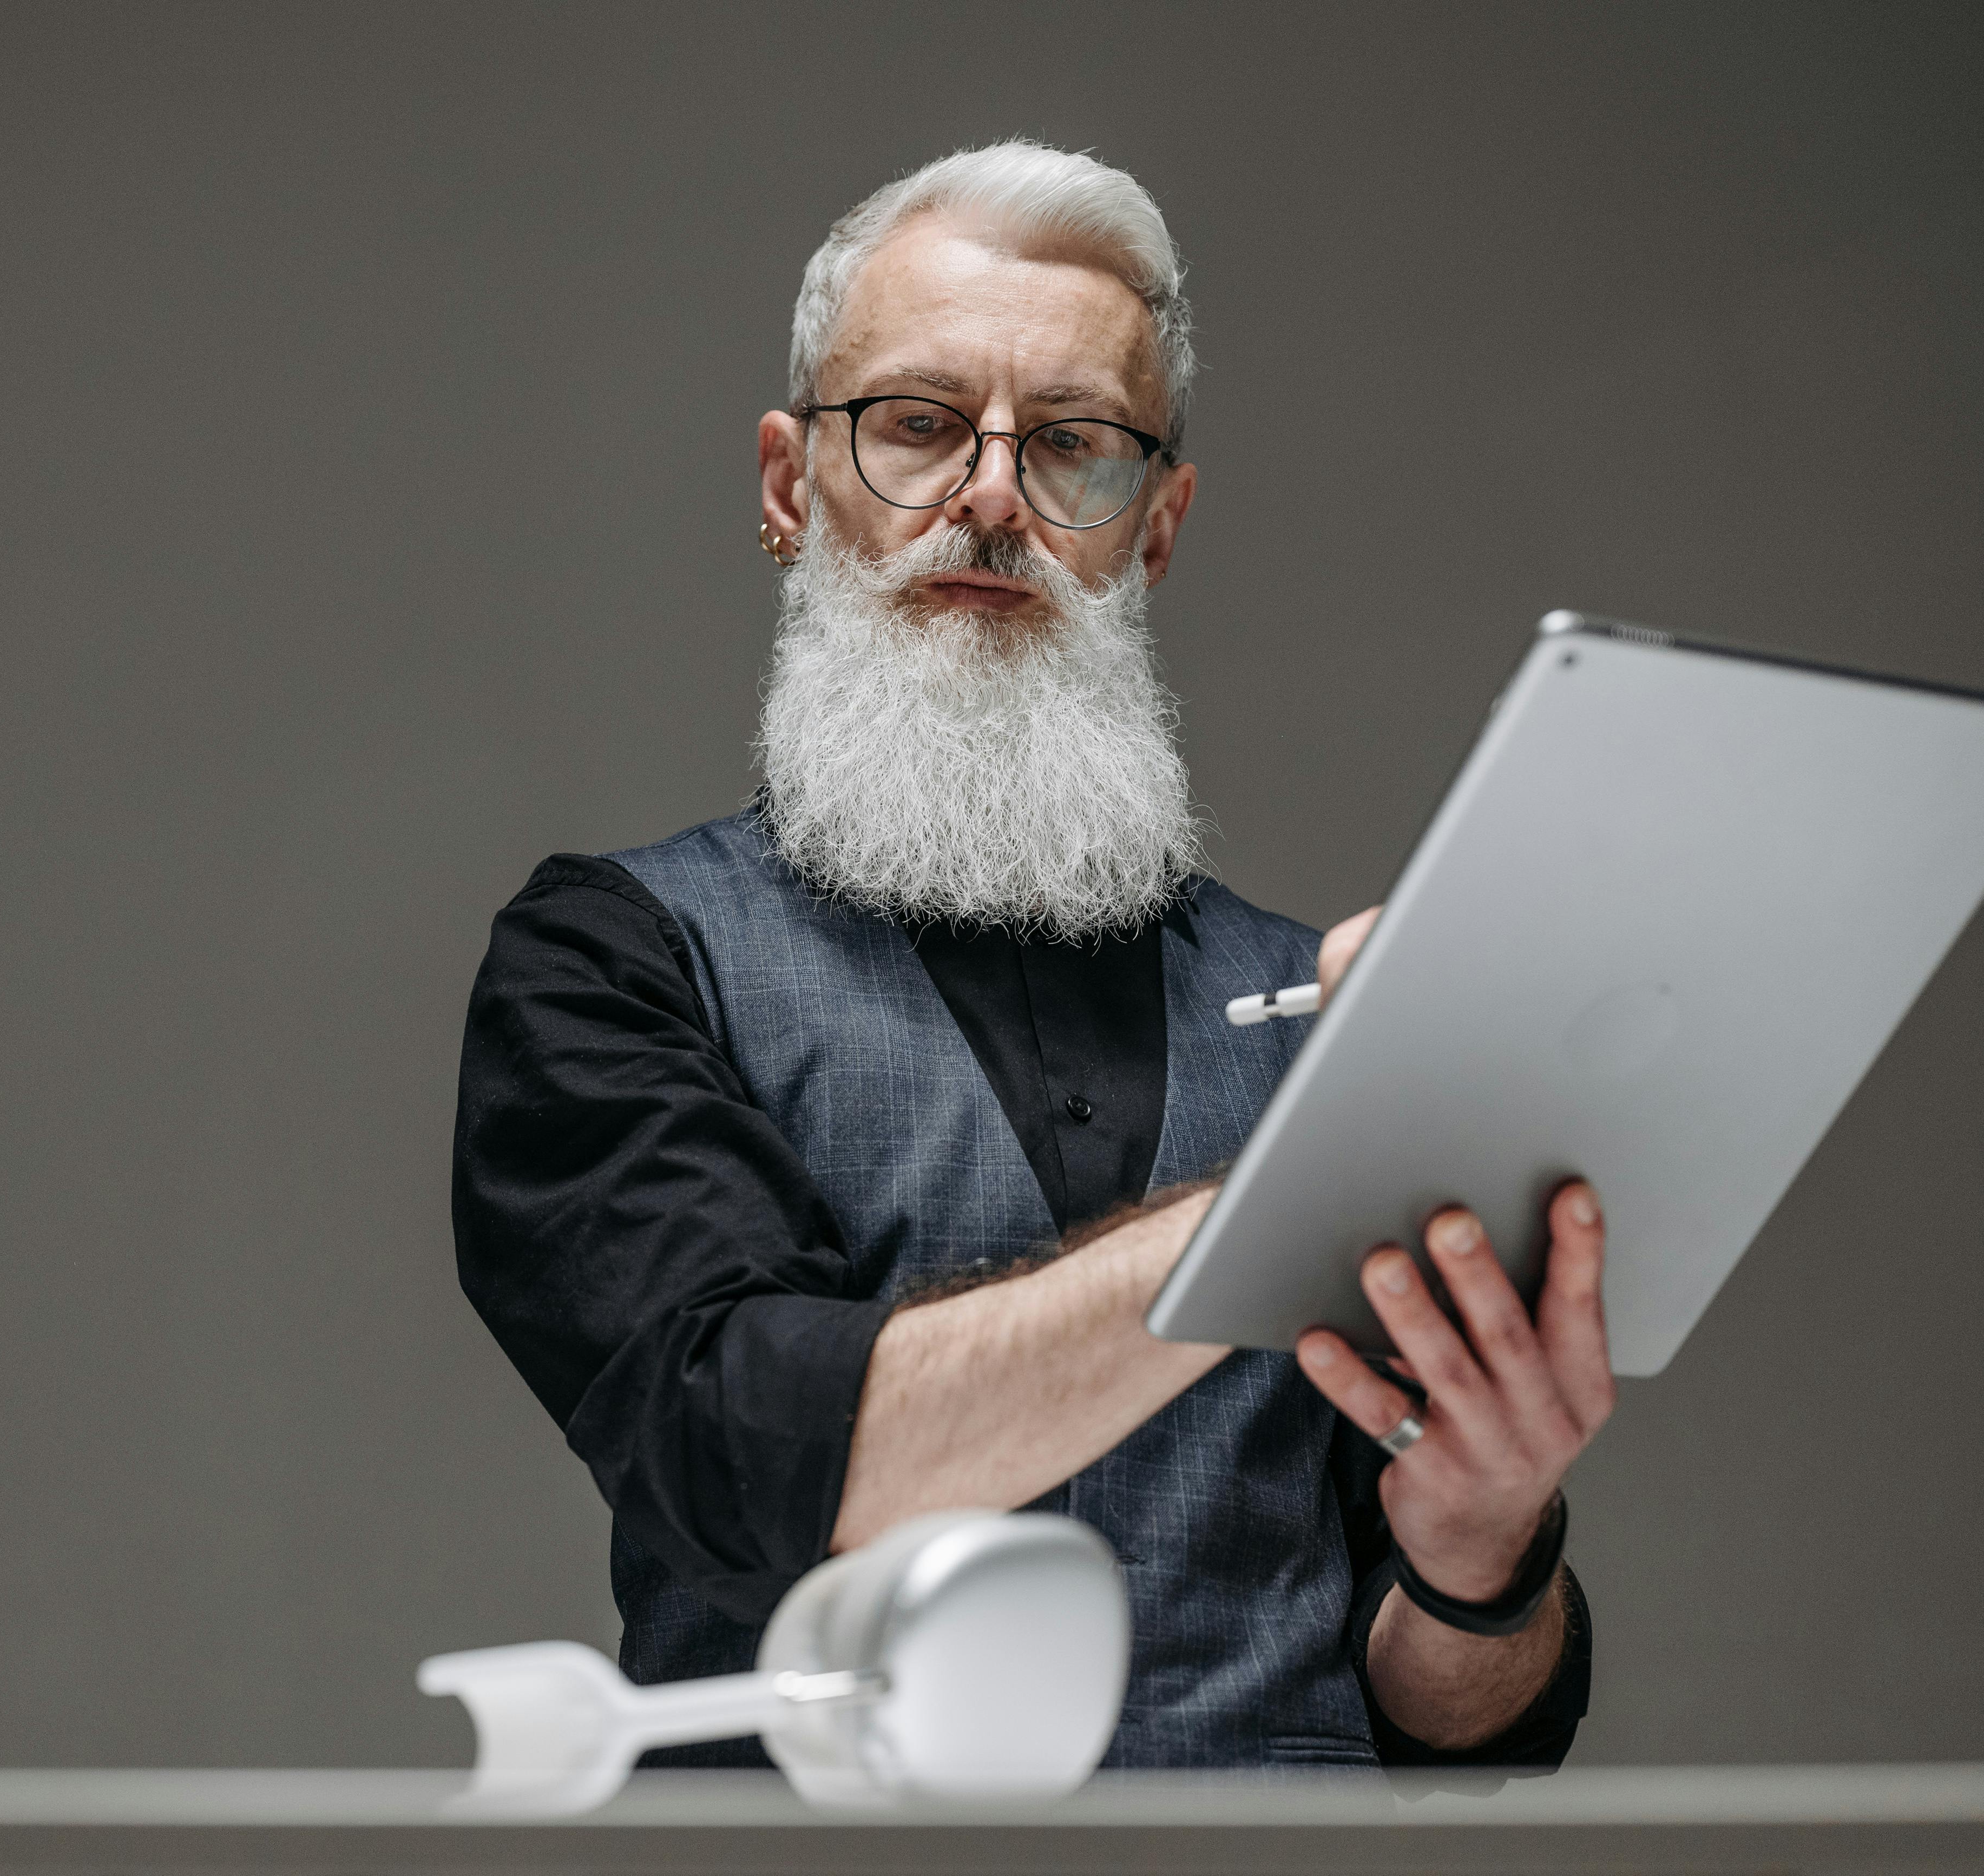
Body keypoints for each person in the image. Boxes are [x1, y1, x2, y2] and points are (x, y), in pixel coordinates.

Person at [451, 140, 1610, 1772]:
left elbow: (1462, 1728)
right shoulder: (620, 957)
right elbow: (754, 1451)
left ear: (1153, 524)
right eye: (918, 425)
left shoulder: (1324, 1016)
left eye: (1072, 443)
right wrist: (1313, 1173)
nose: (990, 495)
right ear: (790, 487)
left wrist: (1487, 1555)